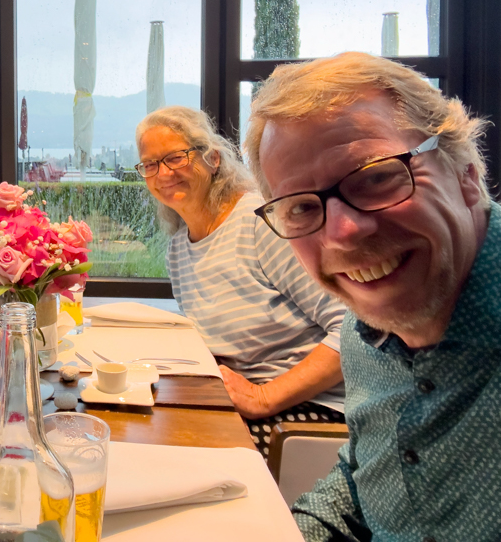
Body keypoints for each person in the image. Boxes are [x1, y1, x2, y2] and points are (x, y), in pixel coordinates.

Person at [245, 51, 501, 542]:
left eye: (376, 177)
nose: (344, 232)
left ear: (466, 174)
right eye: (303, 207)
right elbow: (365, 477)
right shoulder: (362, 334)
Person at [136, 106, 346, 454]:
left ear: (213, 159)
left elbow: (353, 329)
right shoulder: (178, 249)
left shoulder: (259, 222)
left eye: (176, 157)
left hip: (312, 413)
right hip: (244, 405)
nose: (163, 173)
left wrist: (265, 397)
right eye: (150, 164)